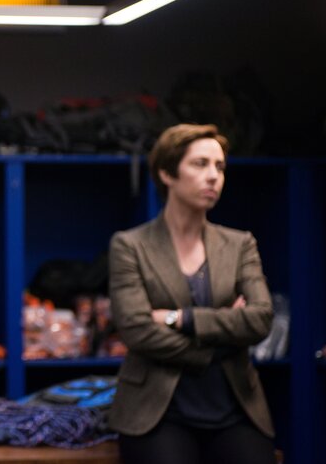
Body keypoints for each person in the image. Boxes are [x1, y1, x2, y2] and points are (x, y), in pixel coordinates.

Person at [107, 123, 276, 464]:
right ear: (167, 173)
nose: (213, 176)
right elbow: (137, 330)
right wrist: (223, 335)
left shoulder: (240, 244)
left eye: (220, 167)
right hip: (157, 413)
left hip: (235, 408)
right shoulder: (131, 246)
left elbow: (260, 319)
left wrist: (179, 318)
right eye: (200, 164)